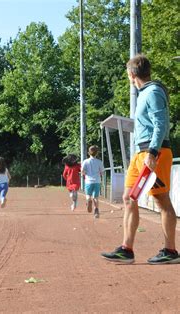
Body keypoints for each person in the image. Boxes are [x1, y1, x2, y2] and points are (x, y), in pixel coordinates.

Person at [101, 54, 178, 264]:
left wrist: (153, 153)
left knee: (161, 200)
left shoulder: (152, 92)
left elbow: (161, 124)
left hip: (155, 152)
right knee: (129, 198)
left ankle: (170, 251)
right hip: (140, 153)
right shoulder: (144, 93)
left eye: (128, 74)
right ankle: (126, 249)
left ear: (132, 74)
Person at [81, 146, 103, 218]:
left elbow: (82, 171)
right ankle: (96, 211)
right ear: (97, 153)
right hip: (97, 181)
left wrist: (85, 174)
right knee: (96, 197)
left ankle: (88, 200)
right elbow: (102, 172)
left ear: (88, 153)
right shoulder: (99, 162)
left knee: (88, 195)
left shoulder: (85, 161)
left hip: (88, 181)